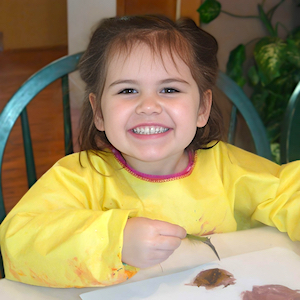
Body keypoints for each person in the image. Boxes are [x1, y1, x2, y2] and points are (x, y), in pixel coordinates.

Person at [0, 14, 299, 288]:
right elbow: (18, 241)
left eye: (170, 89)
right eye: (127, 90)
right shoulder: (78, 178)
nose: (148, 106)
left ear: (202, 108)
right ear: (99, 112)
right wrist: (115, 241)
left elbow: (289, 191)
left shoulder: (228, 168)